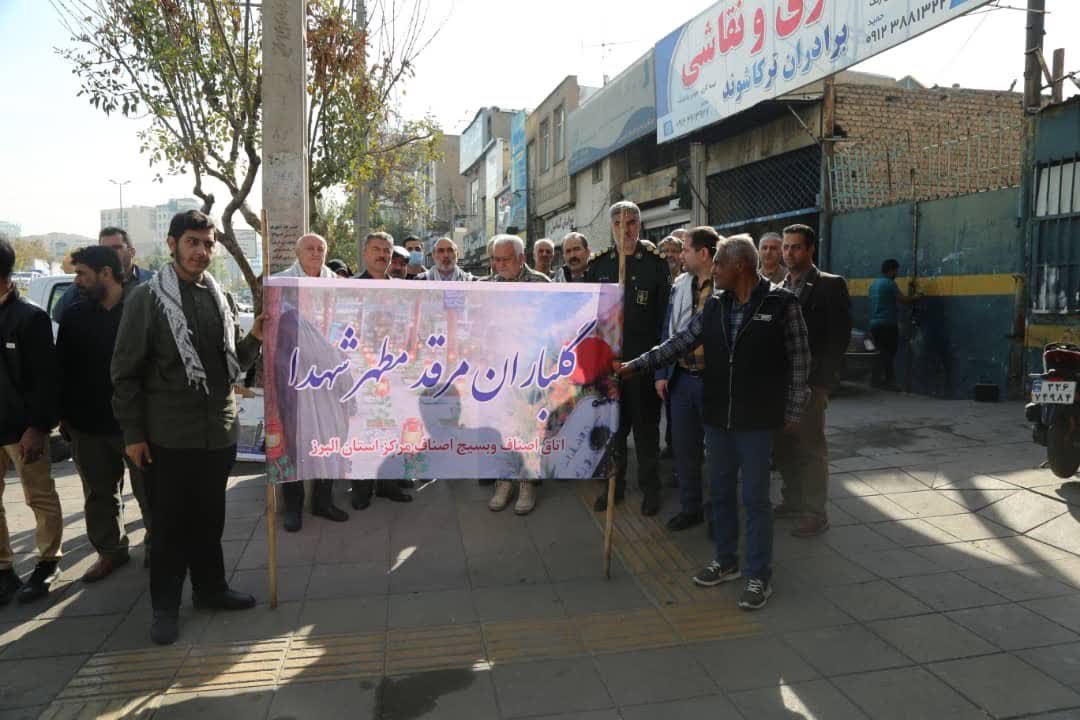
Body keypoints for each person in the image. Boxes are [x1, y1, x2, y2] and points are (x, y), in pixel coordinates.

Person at [616, 234, 810, 610]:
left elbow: (800, 360)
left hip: (757, 420)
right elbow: (679, 342)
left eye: (719, 263)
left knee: (755, 499)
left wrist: (793, 410)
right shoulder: (716, 305)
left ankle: (758, 575)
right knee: (720, 493)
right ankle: (726, 560)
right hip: (718, 416)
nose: (713, 269)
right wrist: (635, 366)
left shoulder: (782, 304)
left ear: (740, 266)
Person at [112, 210, 264, 645]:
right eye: (192, 242)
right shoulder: (147, 298)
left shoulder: (219, 296)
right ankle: (165, 607)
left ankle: (210, 589)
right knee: (169, 528)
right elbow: (125, 373)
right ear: (172, 244)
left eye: (208, 243)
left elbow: (231, 364)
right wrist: (133, 435)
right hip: (168, 437)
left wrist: (256, 335)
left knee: (209, 521)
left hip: (218, 433)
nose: (201, 251)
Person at [57, 246, 151, 582]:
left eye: (82, 274)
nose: (77, 281)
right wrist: (64, 417)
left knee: (150, 491)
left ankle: (158, 547)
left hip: (136, 425)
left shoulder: (140, 309)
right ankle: (111, 551)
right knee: (99, 495)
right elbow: (62, 369)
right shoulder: (74, 315)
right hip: (87, 426)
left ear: (106, 274)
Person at [586, 201, 671, 517]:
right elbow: (589, 319)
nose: (627, 229)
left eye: (632, 222)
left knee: (647, 432)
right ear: (611, 226)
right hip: (609, 367)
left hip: (643, 365)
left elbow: (663, 321)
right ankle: (613, 487)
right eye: (620, 223)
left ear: (640, 224)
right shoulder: (599, 265)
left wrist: (659, 367)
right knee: (613, 431)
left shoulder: (655, 264)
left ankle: (651, 490)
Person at [774, 224, 852, 538]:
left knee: (810, 449)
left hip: (810, 383)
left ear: (810, 249)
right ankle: (792, 500)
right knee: (783, 447)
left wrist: (821, 383)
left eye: (796, 247)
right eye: (786, 246)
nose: (788, 253)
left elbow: (839, 338)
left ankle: (815, 513)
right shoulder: (779, 287)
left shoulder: (830, 285)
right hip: (781, 383)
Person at [0, 237, 63, 606]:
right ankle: (4, 570)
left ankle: (47, 562)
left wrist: (38, 427)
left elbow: (46, 380)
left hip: (24, 429)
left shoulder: (30, 317)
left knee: (39, 496)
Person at [274, 234, 350, 531]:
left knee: (329, 437)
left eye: (321, 249)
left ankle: (323, 501)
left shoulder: (338, 284)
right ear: (297, 251)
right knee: (294, 441)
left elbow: (346, 324)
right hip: (295, 378)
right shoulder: (280, 284)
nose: (316, 253)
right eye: (309, 248)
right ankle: (293, 507)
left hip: (329, 376)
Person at [482, 234, 549, 514]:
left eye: (505, 259)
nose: (499, 265)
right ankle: (504, 481)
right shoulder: (487, 287)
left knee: (529, 428)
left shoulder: (541, 284)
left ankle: (527, 483)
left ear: (521, 258)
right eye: (495, 260)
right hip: (499, 373)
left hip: (531, 371)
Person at [657, 227, 718, 532]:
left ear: (703, 254)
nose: (681, 255)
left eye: (685, 249)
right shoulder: (681, 284)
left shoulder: (726, 284)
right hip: (681, 379)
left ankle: (717, 516)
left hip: (714, 382)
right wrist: (661, 373)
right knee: (684, 451)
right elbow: (668, 328)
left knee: (718, 454)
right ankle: (690, 508)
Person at [351, 232, 414, 508]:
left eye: (386, 250)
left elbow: (408, 328)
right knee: (363, 429)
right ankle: (362, 488)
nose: (382, 254)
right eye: (376, 249)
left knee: (391, 427)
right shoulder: (351, 288)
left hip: (393, 371)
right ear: (365, 253)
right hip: (361, 373)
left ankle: (388, 484)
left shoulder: (401, 290)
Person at [52, 227, 154, 322]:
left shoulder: (152, 282)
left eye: (116, 248)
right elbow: (58, 314)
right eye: (104, 249)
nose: (110, 253)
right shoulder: (89, 284)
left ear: (131, 252)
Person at [868, 258, 917, 390]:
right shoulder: (890, 284)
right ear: (891, 270)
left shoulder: (873, 285)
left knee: (879, 353)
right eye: (896, 271)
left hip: (874, 324)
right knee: (889, 353)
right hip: (887, 324)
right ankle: (889, 382)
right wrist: (916, 297)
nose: (896, 274)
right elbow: (903, 300)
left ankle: (875, 380)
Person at [486, 234, 551, 284]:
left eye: (506, 259)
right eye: (497, 260)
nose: (501, 265)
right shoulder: (489, 283)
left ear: (521, 258)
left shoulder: (540, 282)